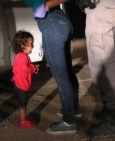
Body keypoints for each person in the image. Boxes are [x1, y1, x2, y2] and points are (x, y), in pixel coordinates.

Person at [23, 0, 80, 135]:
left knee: (60, 75)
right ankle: (74, 108)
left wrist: (45, 6)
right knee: (67, 71)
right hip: (60, 21)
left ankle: (69, 121)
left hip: (51, 23)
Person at [77, 0, 115, 137]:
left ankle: (112, 120)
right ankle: (110, 109)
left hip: (102, 8)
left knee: (101, 66)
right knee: (109, 62)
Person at [11, 30, 40, 128]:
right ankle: (23, 121)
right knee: (23, 102)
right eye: (30, 44)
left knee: (23, 101)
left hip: (17, 82)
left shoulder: (20, 56)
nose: (32, 46)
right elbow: (24, 69)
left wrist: (32, 67)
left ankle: (23, 118)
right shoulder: (23, 57)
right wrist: (34, 68)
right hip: (20, 84)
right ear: (22, 45)